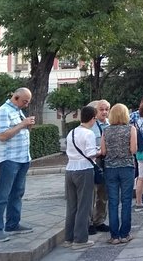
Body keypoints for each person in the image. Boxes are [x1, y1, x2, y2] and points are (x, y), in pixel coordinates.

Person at [0, 87, 35, 243]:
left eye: (28, 102)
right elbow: (2, 136)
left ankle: (12, 224)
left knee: (17, 192)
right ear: (16, 97)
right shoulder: (3, 111)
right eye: (25, 101)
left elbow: (16, 130)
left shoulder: (17, 110)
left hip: (22, 158)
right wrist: (23, 124)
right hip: (9, 159)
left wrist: (26, 126)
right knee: (2, 195)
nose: (26, 104)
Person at [63, 105, 99, 250]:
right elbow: (90, 153)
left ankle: (69, 238)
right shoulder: (88, 133)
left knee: (72, 206)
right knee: (84, 206)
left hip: (70, 169)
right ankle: (80, 240)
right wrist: (101, 151)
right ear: (93, 118)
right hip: (84, 169)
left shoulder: (71, 132)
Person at [101, 103, 137, 245]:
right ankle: (125, 234)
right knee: (126, 200)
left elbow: (103, 151)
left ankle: (114, 236)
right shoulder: (130, 129)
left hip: (110, 168)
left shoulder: (106, 130)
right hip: (127, 167)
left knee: (113, 202)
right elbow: (133, 149)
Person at [88, 99, 110, 235]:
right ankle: (89, 222)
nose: (104, 112)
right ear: (96, 111)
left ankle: (99, 220)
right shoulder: (91, 126)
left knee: (103, 192)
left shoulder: (109, 124)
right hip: (94, 160)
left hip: (106, 160)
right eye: (101, 109)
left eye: (107, 109)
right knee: (91, 193)